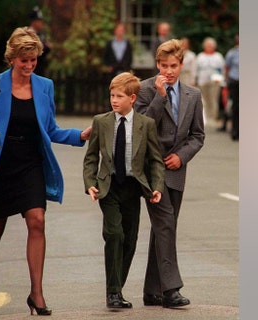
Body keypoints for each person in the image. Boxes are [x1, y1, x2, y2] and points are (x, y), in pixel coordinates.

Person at [0, 27, 92, 317]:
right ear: (12, 58)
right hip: (1, 163)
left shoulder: (45, 86)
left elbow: (50, 130)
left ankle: (36, 292)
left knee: (37, 220)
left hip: (30, 163)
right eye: (24, 60)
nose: (29, 65)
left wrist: (79, 136)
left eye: (33, 60)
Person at [83, 72, 165, 309]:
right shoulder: (101, 121)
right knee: (114, 235)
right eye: (112, 95)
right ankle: (113, 293)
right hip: (108, 187)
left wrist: (156, 186)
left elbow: (155, 160)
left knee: (130, 241)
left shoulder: (145, 125)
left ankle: (117, 288)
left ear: (132, 98)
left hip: (133, 188)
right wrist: (90, 181)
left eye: (119, 96)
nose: (114, 100)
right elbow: (91, 158)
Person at [133, 39, 205, 308]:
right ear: (157, 64)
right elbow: (141, 127)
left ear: (181, 65)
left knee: (163, 227)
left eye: (173, 66)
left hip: (176, 168)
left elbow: (198, 135)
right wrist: (160, 97)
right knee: (165, 224)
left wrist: (182, 156)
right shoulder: (144, 89)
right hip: (151, 168)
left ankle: (152, 290)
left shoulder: (193, 95)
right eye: (163, 66)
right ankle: (170, 290)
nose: (168, 71)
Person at [195, 37, 225, 124]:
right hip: (202, 81)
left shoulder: (218, 56)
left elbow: (222, 69)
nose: (209, 47)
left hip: (215, 81)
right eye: (208, 45)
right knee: (204, 99)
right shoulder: (200, 56)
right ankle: (206, 117)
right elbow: (196, 69)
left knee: (213, 99)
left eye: (211, 45)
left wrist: (220, 79)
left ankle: (213, 117)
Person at [28, 6, 51, 76]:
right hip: (31, 70)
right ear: (33, 22)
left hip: (40, 68)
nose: (41, 23)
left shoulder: (40, 34)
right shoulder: (28, 34)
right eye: (39, 21)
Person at [225, 34, 239, 141]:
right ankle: (235, 130)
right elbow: (227, 67)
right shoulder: (232, 53)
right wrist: (227, 80)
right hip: (235, 80)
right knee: (235, 106)